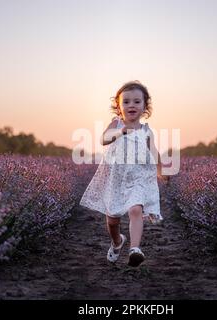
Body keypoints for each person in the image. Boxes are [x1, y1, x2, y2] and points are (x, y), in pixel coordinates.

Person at [79, 80, 169, 267]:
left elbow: (154, 152)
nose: (131, 105)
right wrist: (120, 132)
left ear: (145, 106)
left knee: (136, 209)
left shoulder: (146, 131)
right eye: (126, 101)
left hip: (137, 178)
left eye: (137, 101)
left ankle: (135, 249)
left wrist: (160, 171)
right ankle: (117, 241)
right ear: (119, 107)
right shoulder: (116, 124)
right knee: (112, 220)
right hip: (116, 179)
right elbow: (103, 139)